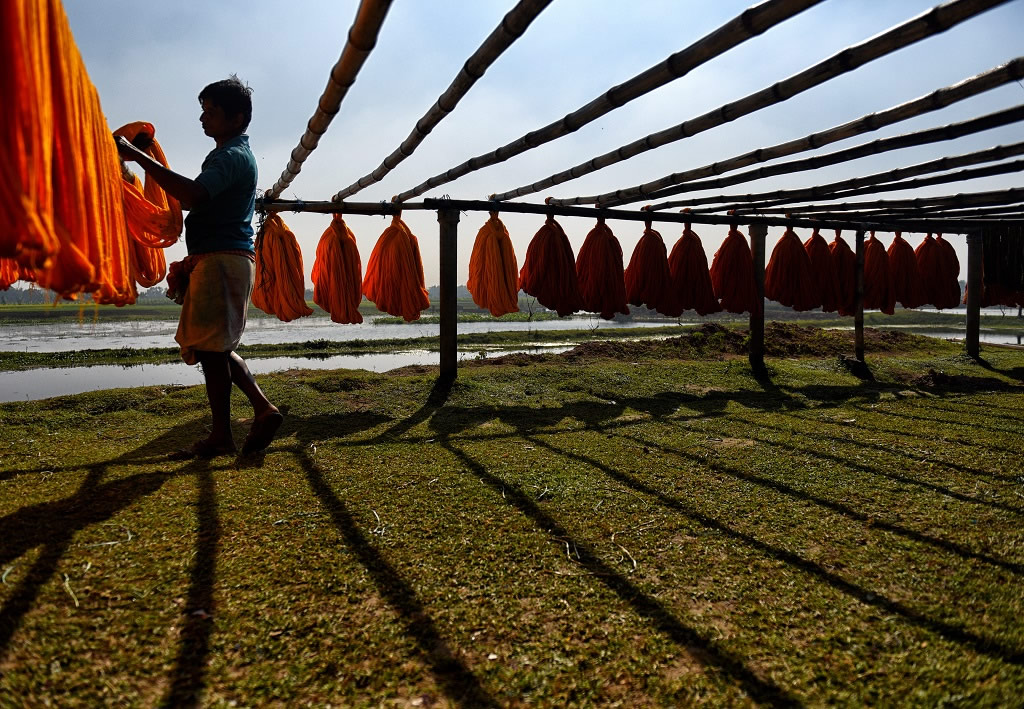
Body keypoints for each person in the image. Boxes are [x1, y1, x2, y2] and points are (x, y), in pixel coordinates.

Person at [116, 75, 283, 458]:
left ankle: (223, 436)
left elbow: (192, 195)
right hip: (221, 259)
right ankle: (262, 410)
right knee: (216, 348)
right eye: (203, 111)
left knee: (213, 350)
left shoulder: (233, 157)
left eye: (211, 112)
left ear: (237, 118)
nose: (203, 119)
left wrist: (140, 157)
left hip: (223, 261)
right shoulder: (229, 154)